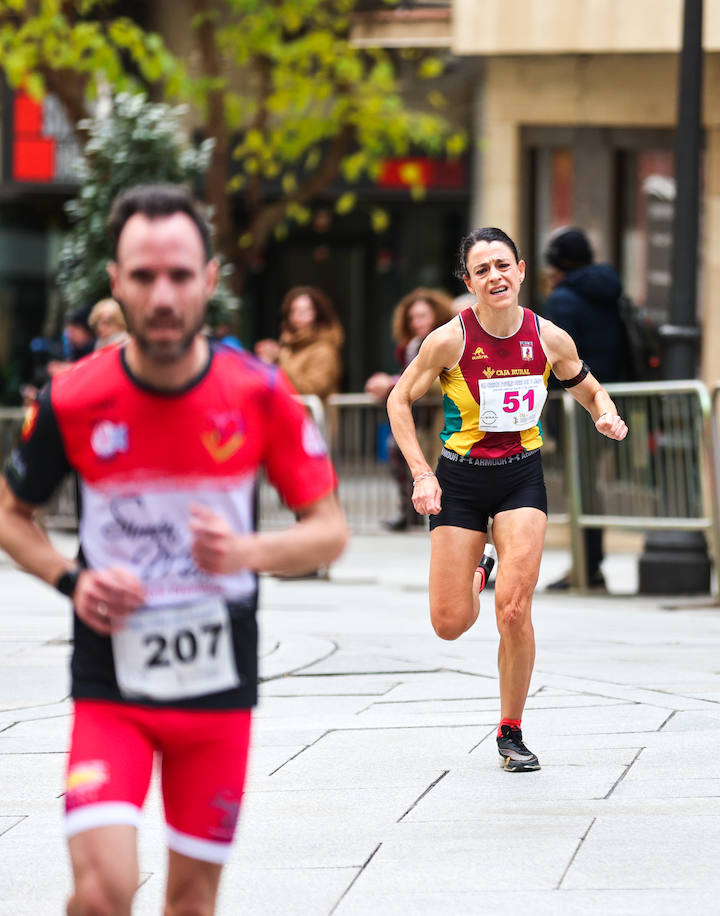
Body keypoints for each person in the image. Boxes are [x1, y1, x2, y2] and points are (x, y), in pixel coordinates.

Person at [0, 183, 349, 915]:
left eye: (179, 275)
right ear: (116, 283)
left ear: (209, 281)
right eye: (143, 276)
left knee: (189, 902)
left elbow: (329, 528)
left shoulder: (259, 394)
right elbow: (6, 516)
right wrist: (69, 579)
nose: (162, 295)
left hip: (217, 692)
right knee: (101, 891)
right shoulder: (74, 398)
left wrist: (246, 551)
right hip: (110, 686)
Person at [386, 226, 628, 771]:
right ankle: (478, 570)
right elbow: (399, 401)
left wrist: (605, 413)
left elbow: (587, 386)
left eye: (503, 265)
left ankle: (511, 730)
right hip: (460, 480)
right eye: (482, 269)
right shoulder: (449, 339)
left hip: (521, 476)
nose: (495, 276)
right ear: (468, 281)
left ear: (520, 271)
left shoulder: (549, 338)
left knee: (514, 608)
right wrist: (422, 474)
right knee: (449, 623)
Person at [538, 227, 631, 592]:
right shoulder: (609, 291)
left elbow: (556, 358)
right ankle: (590, 564)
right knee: (590, 486)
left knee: (582, 485)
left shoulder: (564, 300)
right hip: (609, 398)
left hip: (578, 401)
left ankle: (587, 566)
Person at [365, 288, 456, 531]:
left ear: (436, 315)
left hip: (443, 419)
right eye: (413, 317)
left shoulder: (448, 340)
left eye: (423, 316)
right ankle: (411, 512)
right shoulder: (410, 345)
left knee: (441, 469)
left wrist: (394, 384)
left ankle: (444, 518)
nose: (417, 323)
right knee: (403, 458)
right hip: (415, 418)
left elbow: (440, 381)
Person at [255, 286, 344, 400]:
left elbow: (312, 391)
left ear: (317, 314)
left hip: (312, 417)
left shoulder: (324, 350)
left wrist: (278, 361)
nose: (298, 317)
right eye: (293, 311)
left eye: (304, 311)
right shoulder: (286, 348)